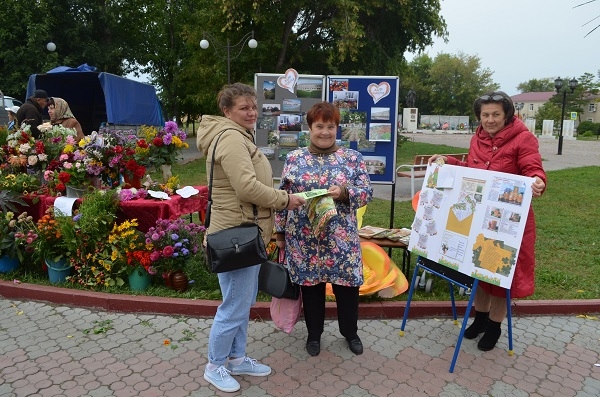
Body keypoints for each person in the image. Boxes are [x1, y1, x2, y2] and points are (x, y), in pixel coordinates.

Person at [196, 83, 305, 393]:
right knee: (234, 305)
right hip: (236, 235)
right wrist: (286, 199)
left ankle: (236, 357)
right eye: (244, 108)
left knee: (241, 302)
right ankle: (215, 365)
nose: (252, 112)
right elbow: (247, 188)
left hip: (243, 232)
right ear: (227, 111)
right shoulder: (230, 138)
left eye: (253, 107)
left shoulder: (235, 136)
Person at [428, 91, 547, 351]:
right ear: (479, 117)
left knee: (502, 274)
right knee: (480, 269)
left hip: (510, 223)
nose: (490, 120)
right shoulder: (477, 139)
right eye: (485, 115)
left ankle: (494, 325)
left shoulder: (523, 138)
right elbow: (472, 170)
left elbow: (532, 167)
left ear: (507, 115)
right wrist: (447, 162)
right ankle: (480, 319)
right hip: (481, 218)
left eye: (496, 114)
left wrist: (538, 180)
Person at [275, 101, 373, 357]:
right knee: (311, 289)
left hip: (341, 240)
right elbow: (282, 197)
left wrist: (344, 193)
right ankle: (314, 335)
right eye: (319, 126)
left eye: (331, 126)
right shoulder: (294, 158)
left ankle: (350, 333)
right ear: (310, 128)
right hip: (304, 239)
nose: (325, 132)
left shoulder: (352, 159)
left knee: (347, 288)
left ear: (337, 128)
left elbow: (366, 193)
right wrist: (280, 233)